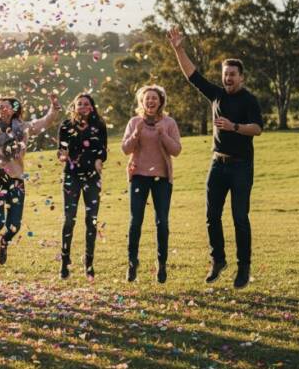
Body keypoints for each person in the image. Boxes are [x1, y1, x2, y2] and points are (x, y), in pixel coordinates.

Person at [167, 27, 263, 289]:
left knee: (240, 218)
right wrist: (178, 48)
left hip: (241, 165)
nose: (228, 78)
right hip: (217, 164)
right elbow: (192, 75)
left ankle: (244, 267)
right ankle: (218, 260)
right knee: (211, 216)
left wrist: (233, 126)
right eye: (225, 74)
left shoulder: (249, 100)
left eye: (232, 74)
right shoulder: (217, 95)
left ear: (241, 77)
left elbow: (257, 128)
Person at [0, 66, 61, 265]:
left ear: (14, 109)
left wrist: (53, 107)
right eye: (0, 106)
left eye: (8, 105)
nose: (4, 108)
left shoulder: (24, 128)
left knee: (13, 226)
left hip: (16, 180)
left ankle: (4, 242)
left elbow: (44, 123)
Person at [121, 85, 182, 283]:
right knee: (135, 221)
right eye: (147, 98)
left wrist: (163, 134)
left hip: (162, 179)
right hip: (138, 176)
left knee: (161, 222)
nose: (151, 101)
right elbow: (125, 149)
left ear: (160, 101)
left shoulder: (169, 122)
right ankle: (132, 263)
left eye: (154, 98)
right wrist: (136, 134)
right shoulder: (134, 122)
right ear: (142, 102)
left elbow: (176, 150)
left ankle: (161, 264)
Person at [57, 94, 108, 281]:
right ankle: (64, 260)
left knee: (91, 220)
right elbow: (61, 149)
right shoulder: (66, 125)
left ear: (92, 107)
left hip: (92, 178)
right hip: (71, 177)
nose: (83, 106)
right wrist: (62, 155)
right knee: (69, 219)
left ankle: (89, 262)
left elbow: (103, 149)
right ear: (74, 106)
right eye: (79, 104)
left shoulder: (99, 125)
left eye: (87, 104)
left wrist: (99, 159)